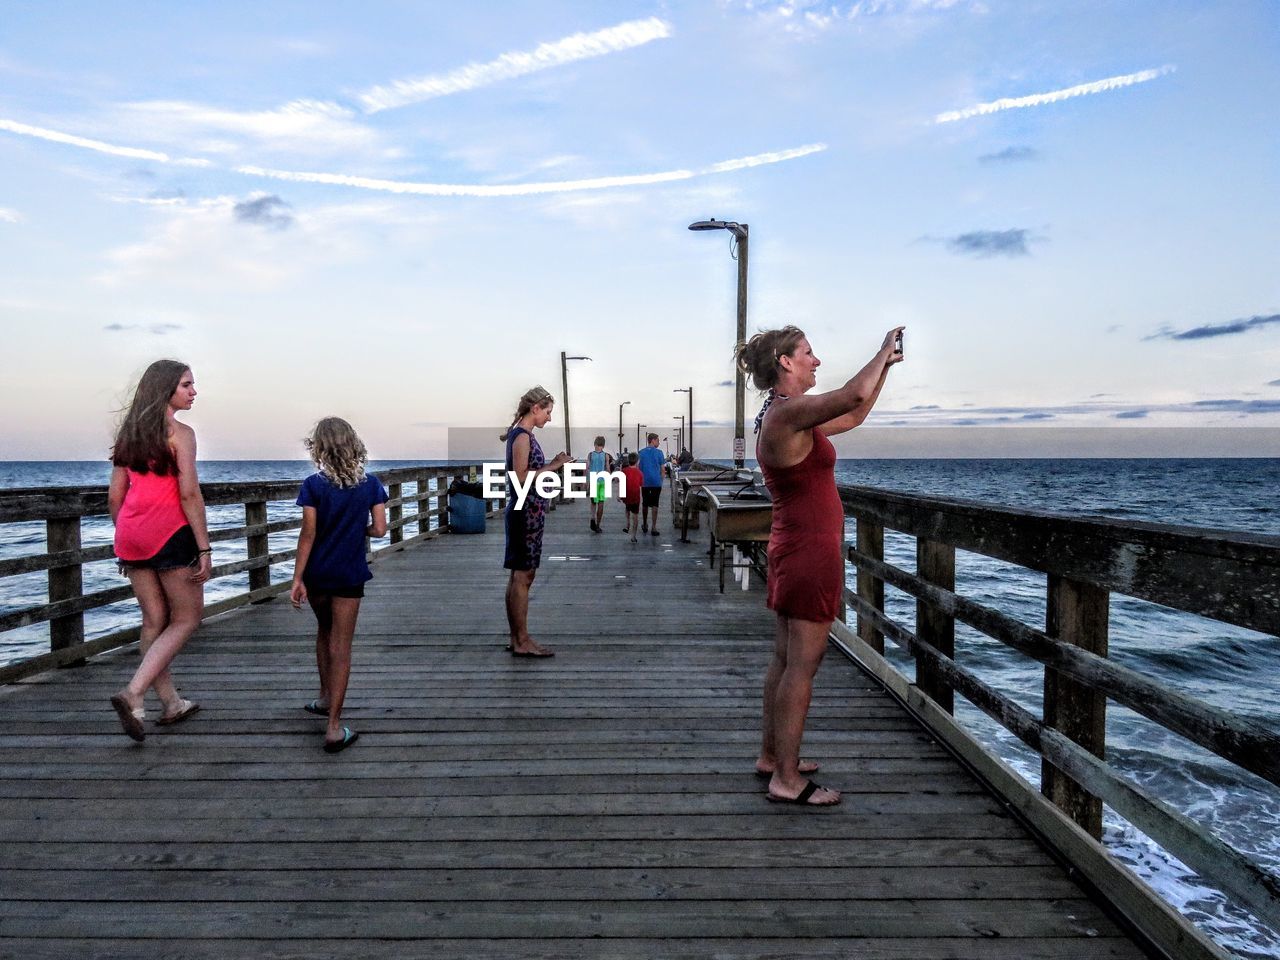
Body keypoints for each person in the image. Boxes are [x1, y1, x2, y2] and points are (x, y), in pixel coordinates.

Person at [737, 323, 904, 805]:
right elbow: (851, 394)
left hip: (794, 546)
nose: (816, 360)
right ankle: (786, 779)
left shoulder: (784, 415)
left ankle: (773, 756)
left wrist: (885, 369)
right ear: (785, 363)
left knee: (786, 660)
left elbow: (853, 416)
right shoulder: (789, 415)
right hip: (809, 551)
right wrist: (879, 349)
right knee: (802, 667)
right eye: (808, 353)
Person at [107, 360, 212, 742]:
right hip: (170, 533)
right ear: (166, 389)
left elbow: (115, 496)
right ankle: (134, 691)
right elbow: (188, 493)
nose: (193, 391)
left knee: (154, 621)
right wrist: (204, 547)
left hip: (131, 535)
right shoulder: (180, 433)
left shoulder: (129, 435)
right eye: (186, 385)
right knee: (186, 619)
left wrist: (126, 540)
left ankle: (170, 703)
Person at [290, 417, 388, 753]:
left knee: (323, 631)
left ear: (319, 448)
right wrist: (353, 529)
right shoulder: (371, 485)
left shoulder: (313, 485)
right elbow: (379, 530)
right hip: (349, 574)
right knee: (341, 646)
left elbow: (308, 534)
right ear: (352, 444)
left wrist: (297, 578)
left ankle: (324, 696)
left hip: (318, 572)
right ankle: (333, 725)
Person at [502, 386, 572, 657]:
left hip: (528, 511)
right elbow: (520, 477)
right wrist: (552, 467)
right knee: (523, 576)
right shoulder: (522, 437)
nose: (549, 418)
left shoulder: (523, 435)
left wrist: (552, 463)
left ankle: (518, 637)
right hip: (524, 513)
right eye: (548, 412)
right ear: (535, 409)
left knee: (520, 575)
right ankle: (521, 640)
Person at [636, 432, 665, 537]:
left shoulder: (641, 453)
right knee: (655, 504)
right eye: (657, 440)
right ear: (652, 440)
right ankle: (654, 527)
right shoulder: (660, 453)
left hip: (645, 482)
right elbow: (663, 470)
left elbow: (638, 468)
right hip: (656, 482)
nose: (659, 442)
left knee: (645, 503)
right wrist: (661, 481)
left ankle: (644, 523)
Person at [585, 436, 614, 533]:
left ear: (595, 444)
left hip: (593, 481)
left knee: (593, 502)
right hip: (602, 481)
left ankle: (592, 518)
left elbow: (587, 468)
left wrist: (586, 482)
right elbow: (608, 469)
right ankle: (597, 525)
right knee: (601, 503)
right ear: (603, 445)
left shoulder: (590, 455)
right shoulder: (606, 455)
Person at [621, 452, 643, 542]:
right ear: (637, 462)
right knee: (636, 516)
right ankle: (633, 536)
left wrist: (619, 495)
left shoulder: (624, 471)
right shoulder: (640, 473)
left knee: (627, 508)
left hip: (627, 495)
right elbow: (640, 486)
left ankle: (627, 524)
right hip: (635, 496)